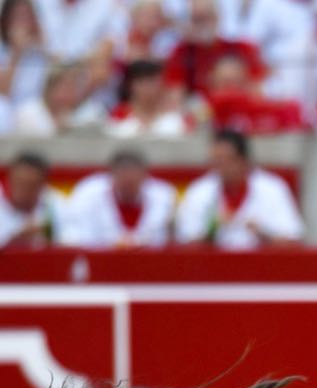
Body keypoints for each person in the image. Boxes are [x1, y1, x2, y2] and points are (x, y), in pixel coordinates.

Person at [173, 128, 304, 249]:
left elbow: (293, 241)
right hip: (211, 268)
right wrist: (212, 230)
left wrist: (262, 232)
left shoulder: (273, 188)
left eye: (225, 161)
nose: (219, 167)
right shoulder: (199, 191)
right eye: (215, 161)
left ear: (243, 160)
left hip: (263, 268)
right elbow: (185, 245)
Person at [60, 149, 177, 247]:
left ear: (144, 176)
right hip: (99, 260)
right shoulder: (88, 193)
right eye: (123, 175)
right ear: (111, 174)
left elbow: (169, 239)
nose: (128, 181)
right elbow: (74, 236)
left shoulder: (163, 195)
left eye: (133, 177)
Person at [105, 58, 189, 137]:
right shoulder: (118, 116)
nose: (147, 88)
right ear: (130, 85)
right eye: (141, 82)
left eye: (152, 82)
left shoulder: (175, 120)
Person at [0, 150, 65, 249]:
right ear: (9, 178)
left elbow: (73, 241)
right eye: (20, 183)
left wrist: (49, 240)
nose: (24, 191)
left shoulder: (56, 201)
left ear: (43, 184)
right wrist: (15, 240)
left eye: (31, 185)